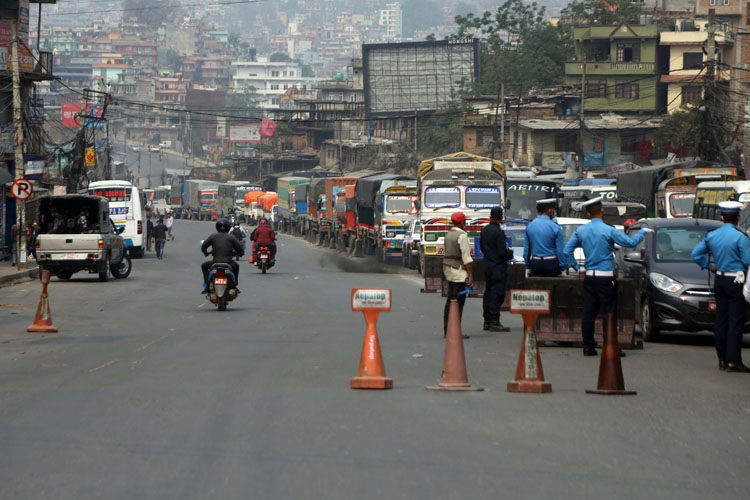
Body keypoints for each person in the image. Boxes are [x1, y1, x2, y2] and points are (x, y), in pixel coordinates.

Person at [563, 197, 648, 356]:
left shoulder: (581, 231)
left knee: (589, 312)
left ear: (588, 214)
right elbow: (629, 243)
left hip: (589, 277)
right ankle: (610, 345)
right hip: (606, 277)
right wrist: (642, 232)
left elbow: (567, 251)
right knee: (609, 312)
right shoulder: (609, 230)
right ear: (602, 211)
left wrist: (577, 267)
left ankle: (588, 346)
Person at [692, 201, 750, 372]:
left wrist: (710, 266)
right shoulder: (740, 237)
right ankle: (733, 360)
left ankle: (722, 358)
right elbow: (748, 261)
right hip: (736, 280)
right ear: (738, 218)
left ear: (722, 218)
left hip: (719, 279)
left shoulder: (712, 236)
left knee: (721, 319)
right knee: (735, 321)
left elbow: (695, 254)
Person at [479, 206, 514, 332]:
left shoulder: (485, 230)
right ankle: (494, 321)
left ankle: (487, 321)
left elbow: (482, 247)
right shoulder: (498, 232)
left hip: (488, 265)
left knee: (488, 292)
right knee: (496, 294)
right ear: (501, 217)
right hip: (498, 267)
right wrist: (510, 253)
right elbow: (502, 251)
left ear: (490, 216)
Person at [442, 211, 474, 339]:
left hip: (448, 270)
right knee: (458, 304)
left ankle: (447, 330)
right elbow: (466, 258)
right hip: (459, 272)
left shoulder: (448, 234)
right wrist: (470, 275)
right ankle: (455, 331)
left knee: (450, 301)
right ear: (461, 222)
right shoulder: (462, 235)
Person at [523, 198, 565, 277]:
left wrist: (527, 266)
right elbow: (560, 250)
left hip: (535, 263)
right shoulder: (555, 227)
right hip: (551, 263)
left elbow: (526, 250)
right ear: (549, 210)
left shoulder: (530, 226)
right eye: (553, 210)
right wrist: (563, 267)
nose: (553, 212)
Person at [201, 218, 244, 292]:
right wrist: (239, 254)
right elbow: (240, 251)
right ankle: (235, 285)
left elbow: (203, 247)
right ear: (228, 227)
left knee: (204, 266)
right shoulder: (231, 237)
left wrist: (206, 253)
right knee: (236, 266)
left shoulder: (213, 236)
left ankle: (207, 285)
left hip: (215, 262)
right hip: (228, 263)